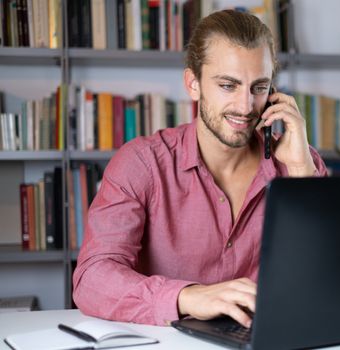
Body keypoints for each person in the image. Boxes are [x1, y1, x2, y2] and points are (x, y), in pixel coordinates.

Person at [72, 9, 327, 328]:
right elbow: (92, 280)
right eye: (228, 85)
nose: (245, 107)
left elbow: (330, 275)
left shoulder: (298, 162)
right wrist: (189, 297)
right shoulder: (141, 164)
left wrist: (302, 169)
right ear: (193, 84)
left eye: (258, 87)